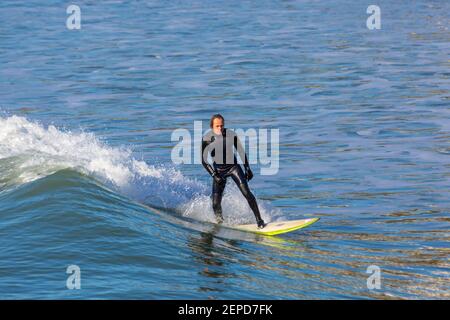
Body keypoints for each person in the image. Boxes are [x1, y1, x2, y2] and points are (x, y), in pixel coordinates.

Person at [201, 114, 266, 229]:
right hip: (219, 171)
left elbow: (241, 151)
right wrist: (214, 175)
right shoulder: (206, 139)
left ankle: (259, 220)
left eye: (222, 126)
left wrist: (247, 168)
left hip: (233, 167)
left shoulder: (231, 135)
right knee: (215, 204)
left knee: (247, 193)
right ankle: (220, 223)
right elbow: (203, 160)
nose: (220, 128)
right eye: (217, 126)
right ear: (212, 126)